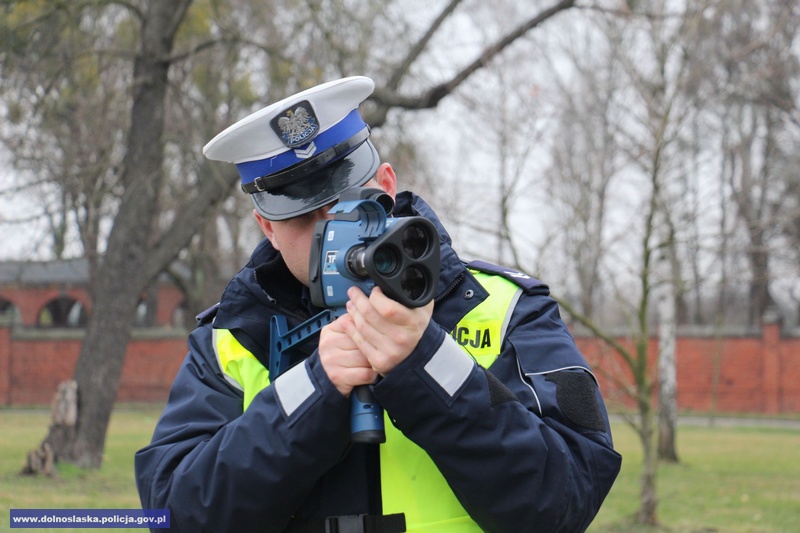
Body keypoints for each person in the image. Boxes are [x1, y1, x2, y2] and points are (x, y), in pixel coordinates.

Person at [135, 76, 621, 533]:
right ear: (268, 228)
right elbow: (176, 512)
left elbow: (567, 498)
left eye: (348, 201)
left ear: (386, 185)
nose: (331, 230)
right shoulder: (232, 338)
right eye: (304, 216)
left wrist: (427, 364)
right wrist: (314, 388)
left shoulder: (506, 306)